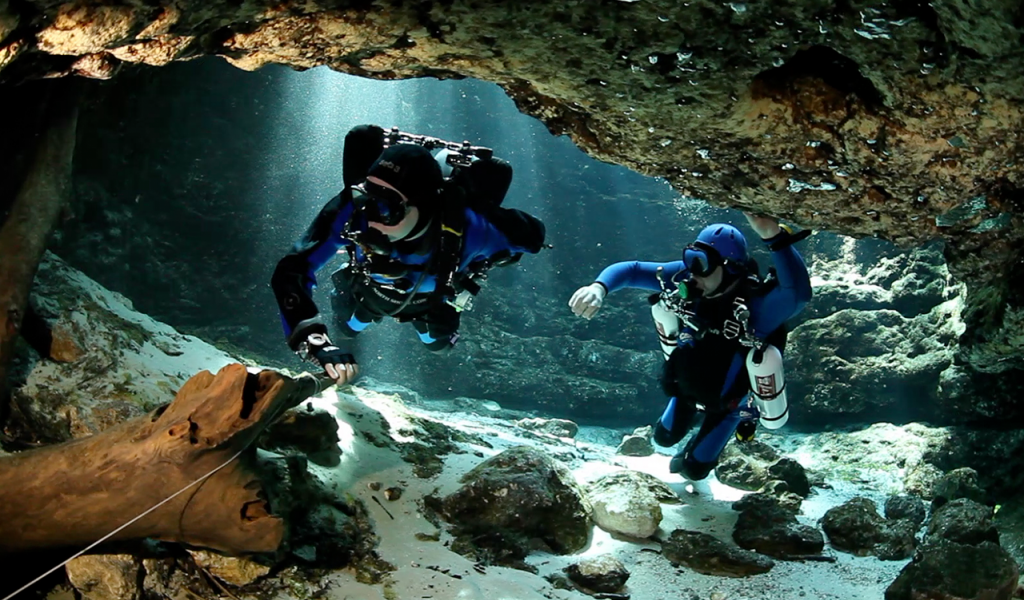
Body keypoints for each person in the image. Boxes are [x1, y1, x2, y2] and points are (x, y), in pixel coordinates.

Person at [272, 125, 545, 385]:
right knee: (347, 329)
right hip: (367, 291)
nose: (372, 219)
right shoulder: (351, 211)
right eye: (366, 199)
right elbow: (291, 269)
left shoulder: (474, 230)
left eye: (389, 208)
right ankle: (348, 293)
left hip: (428, 303)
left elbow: (531, 237)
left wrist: (499, 254)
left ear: (425, 207)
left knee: (439, 346)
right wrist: (313, 339)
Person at [568, 213, 811, 480]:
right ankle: (686, 429)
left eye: (701, 264)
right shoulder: (687, 277)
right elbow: (632, 270)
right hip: (685, 390)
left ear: (730, 267)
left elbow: (798, 293)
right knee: (662, 438)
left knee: (694, 471)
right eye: (689, 259)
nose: (691, 274)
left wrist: (773, 237)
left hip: (727, 407)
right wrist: (599, 287)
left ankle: (698, 449)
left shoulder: (758, 307)